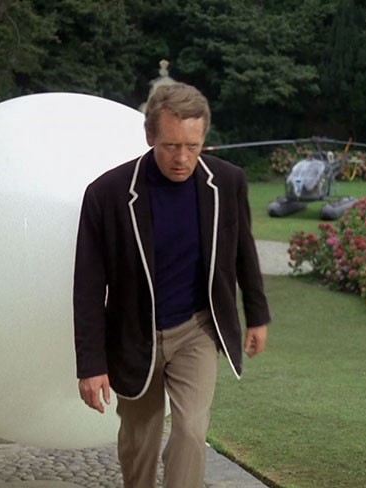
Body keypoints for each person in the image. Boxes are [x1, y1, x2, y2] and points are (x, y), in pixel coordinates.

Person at [73, 82, 271, 488]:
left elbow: (243, 250)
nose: (182, 158)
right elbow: (88, 287)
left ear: (204, 138)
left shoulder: (227, 182)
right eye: (171, 146)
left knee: (191, 432)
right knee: (139, 443)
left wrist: (257, 314)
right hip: (133, 334)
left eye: (192, 146)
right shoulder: (107, 195)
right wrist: (91, 365)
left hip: (196, 329)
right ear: (150, 136)